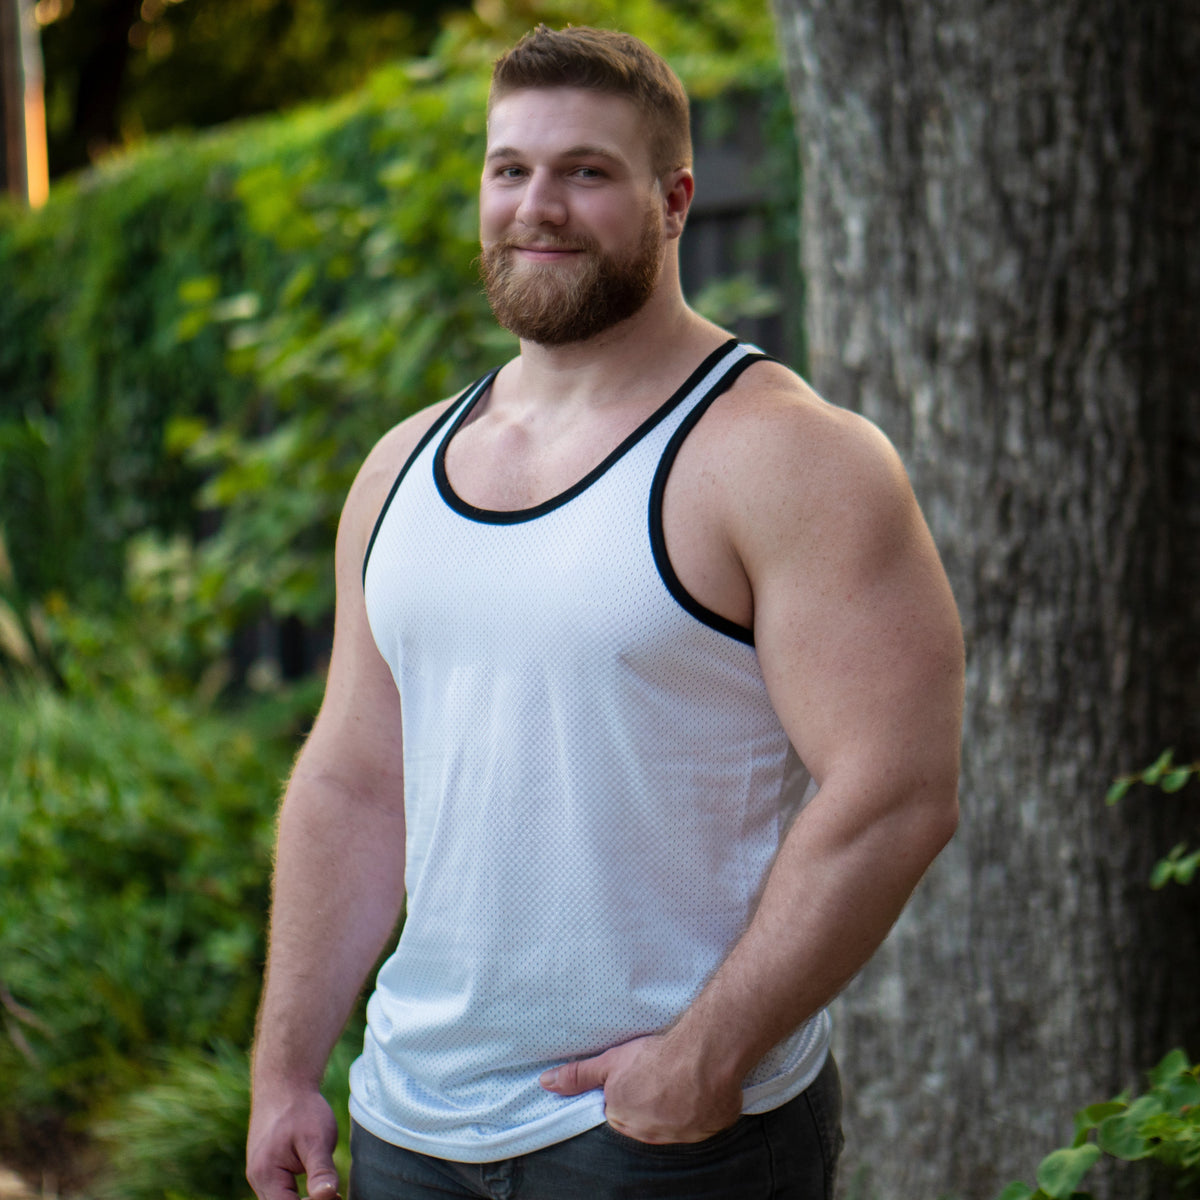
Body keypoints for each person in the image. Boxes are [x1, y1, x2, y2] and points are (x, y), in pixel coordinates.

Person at [246, 24, 964, 1200]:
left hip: (666, 1142)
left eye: (586, 171)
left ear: (674, 198)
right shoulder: (399, 469)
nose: (539, 205)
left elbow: (897, 793)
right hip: (408, 1128)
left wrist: (703, 1058)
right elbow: (354, 779)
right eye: (509, 169)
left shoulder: (785, 458)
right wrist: (285, 1071)